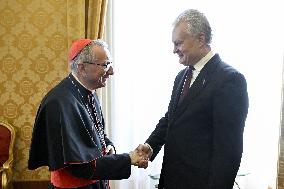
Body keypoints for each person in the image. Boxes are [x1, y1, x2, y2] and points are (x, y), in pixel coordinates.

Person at [136, 9, 249, 189]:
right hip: (172, 180)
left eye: (178, 43)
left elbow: (228, 150)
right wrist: (150, 146)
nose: (174, 50)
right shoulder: (182, 76)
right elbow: (171, 119)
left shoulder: (229, 79)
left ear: (201, 39)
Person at [28, 39, 144, 189]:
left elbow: (96, 135)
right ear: (82, 68)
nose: (112, 71)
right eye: (105, 65)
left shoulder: (89, 91)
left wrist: (109, 146)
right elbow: (79, 166)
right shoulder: (59, 103)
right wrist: (128, 159)